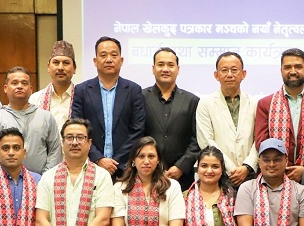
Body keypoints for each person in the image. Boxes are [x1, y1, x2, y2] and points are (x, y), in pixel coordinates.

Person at [71, 36, 146, 177]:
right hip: (90, 166)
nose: (109, 59)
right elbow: (77, 129)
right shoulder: (82, 90)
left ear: (121, 60)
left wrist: (116, 162)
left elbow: (137, 130)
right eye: (103, 55)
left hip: (125, 169)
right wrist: (98, 158)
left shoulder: (133, 90)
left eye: (114, 55)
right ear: (95, 61)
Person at [254, 48, 304, 182]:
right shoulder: (265, 104)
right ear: (281, 70)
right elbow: (262, 142)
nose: (293, 71)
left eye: (298, 67)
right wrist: (283, 166)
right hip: (275, 175)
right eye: (288, 67)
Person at [196, 51, 258, 186]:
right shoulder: (205, 103)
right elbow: (206, 140)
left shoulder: (255, 103)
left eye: (234, 70)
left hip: (249, 175)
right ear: (216, 75)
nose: (229, 74)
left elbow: (259, 139)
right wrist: (231, 169)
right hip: (217, 175)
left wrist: (247, 166)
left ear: (243, 74)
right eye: (224, 70)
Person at [143, 47, 201, 191]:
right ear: (153, 68)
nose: (165, 69)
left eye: (170, 65)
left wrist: (180, 166)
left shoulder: (192, 101)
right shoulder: (140, 97)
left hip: (182, 178)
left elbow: (196, 139)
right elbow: (136, 134)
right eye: (160, 64)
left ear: (178, 69)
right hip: (146, 174)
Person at [0, 67, 62, 174]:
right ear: (6, 88)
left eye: (24, 83)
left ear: (31, 89)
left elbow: (55, 151)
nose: (19, 86)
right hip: (5, 180)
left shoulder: (46, 117)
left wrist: (44, 178)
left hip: (41, 180)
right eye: (14, 83)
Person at [29, 40, 78, 132]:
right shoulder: (35, 100)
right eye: (56, 62)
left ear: (74, 68)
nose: (60, 68)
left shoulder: (82, 98)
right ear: (48, 67)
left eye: (66, 63)